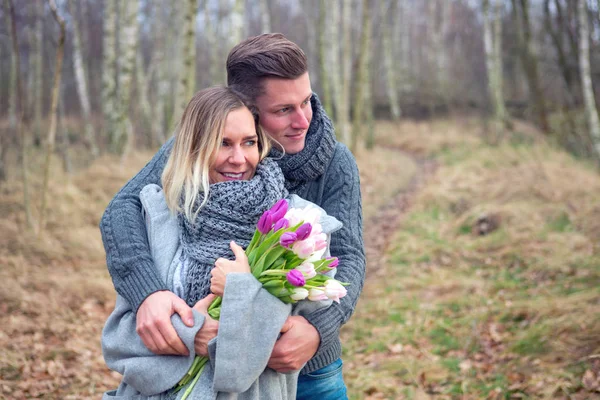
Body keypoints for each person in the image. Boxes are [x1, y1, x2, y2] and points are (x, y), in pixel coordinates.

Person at [100, 33, 365, 400]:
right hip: (207, 365)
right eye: (284, 109)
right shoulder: (200, 145)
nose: (304, 120)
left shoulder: (335, 162)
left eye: (307, 101)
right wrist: (149, 294)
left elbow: (348, 256)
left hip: (306, 369)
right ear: (246, 110)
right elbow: (121, 210)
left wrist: (319, 328)